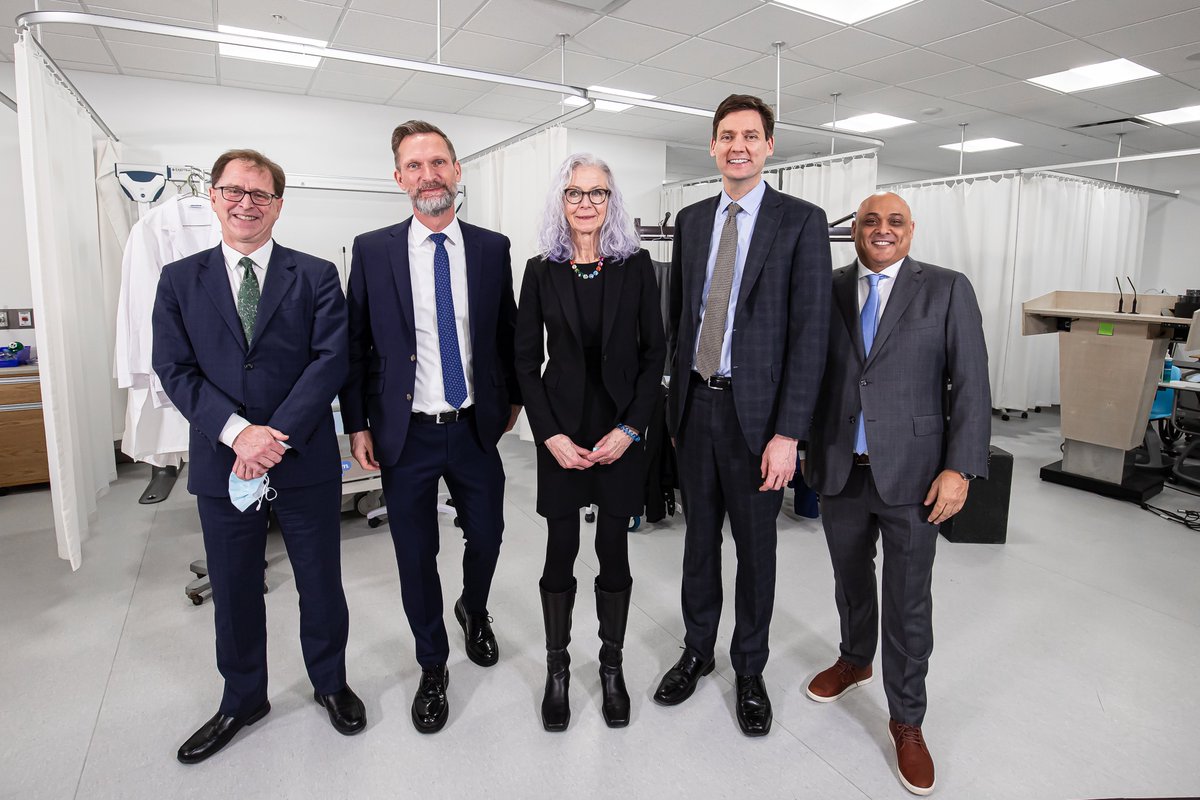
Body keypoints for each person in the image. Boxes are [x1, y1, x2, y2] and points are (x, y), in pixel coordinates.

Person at [153, 149, 364, 764]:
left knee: (321, 583)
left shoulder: (317, 274)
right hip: (224, 464)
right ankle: (243, 697)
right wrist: (238, 434)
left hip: (302, 461)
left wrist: (272, 438)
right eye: (233, 191)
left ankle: (330, 682)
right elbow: (174, 367)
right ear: (214, 198)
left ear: (278, 204)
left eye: (260, 194)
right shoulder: (179, 279)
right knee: (235, 587)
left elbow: (331, 361)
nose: (246, 203)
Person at [655, 94, 832, 736]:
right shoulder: (695, 220)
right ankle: (697, 650)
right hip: (696, 406)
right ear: (712, 145)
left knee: (756, 551)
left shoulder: (801, 222)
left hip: (758, 420)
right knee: (698, 542)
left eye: (750, 135)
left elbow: (811, 335)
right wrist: (674, 408)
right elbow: (682, 319)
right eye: (726, 134)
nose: (738, 145)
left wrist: (789, 434)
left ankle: (749, 668)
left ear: (768, 146)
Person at [804, 192, 991, 796]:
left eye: (894, 222)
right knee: (850, 581)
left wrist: (960, 468)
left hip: (915, 475)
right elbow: (809, 371)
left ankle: (908, 719)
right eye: (869, 221)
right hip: (841, 469)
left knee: (909, 601)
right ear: (853, 231)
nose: (881, 230)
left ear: (911, 231)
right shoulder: (825, 287)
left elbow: (971, 384)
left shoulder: (946, 288)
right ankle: (856, 660)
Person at [339, 120, 521, 734]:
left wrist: (511, 401)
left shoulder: (493, 248)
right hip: (405, 432)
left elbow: (506, 333)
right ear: (398, 179)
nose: (429, 176)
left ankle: (474, 605)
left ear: (457, 170)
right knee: (415, 556)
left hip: (473, 427)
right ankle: (433, 664)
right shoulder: (373, 249)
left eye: (438, 162)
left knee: (490, 533)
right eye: (415, 166)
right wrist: (357, 421)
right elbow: (355, 344)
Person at [515, 153, 666, 732]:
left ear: (612, 202)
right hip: (562, 432)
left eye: (597, 194)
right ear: (562, 201)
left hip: (620, 432)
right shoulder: (540, 270)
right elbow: (526, 362)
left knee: (613, 550)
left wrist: (631, 429)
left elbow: (656, 353)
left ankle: (610, 666)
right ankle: (557, 670)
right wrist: (548, 434)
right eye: (575, 193)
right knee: (558, 551)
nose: (586, 203)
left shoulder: (635, 266)